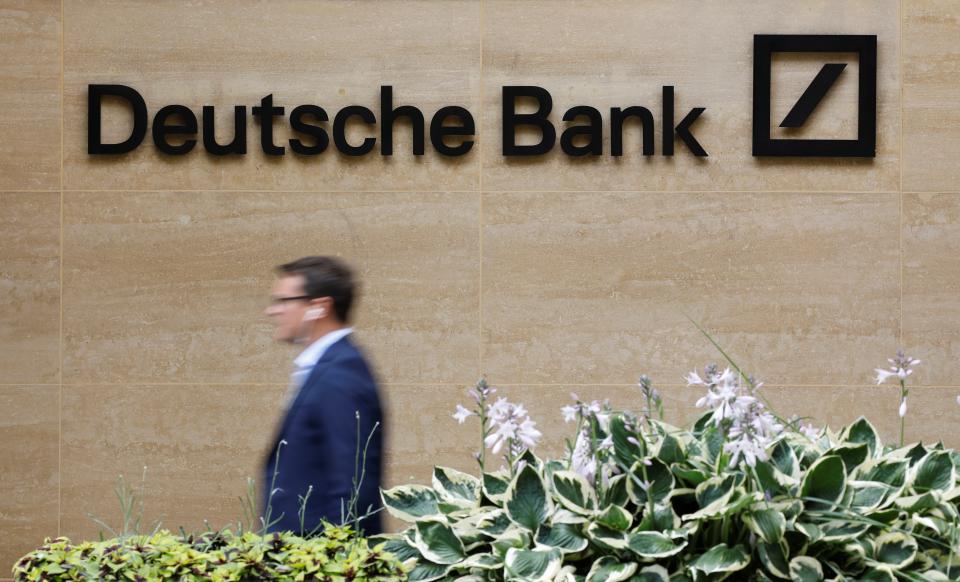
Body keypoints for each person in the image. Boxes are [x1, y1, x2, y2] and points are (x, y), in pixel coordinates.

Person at [261, 256, 384, 536]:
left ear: (319, 307)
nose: (272, 311)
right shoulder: (327, 367)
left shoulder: (342, 375)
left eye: (283, 301)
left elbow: (353, 488)